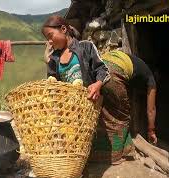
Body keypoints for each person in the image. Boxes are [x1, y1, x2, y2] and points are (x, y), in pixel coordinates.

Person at [42, 15, 158, 165]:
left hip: (92, 94)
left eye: (50, 36)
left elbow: (102, 69)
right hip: (71, 107)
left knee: (103, 121)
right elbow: (52, 82)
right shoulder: (55, 59)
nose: (49, 42)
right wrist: (48, 61)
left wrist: (97, 84)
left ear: (64, 29)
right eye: (47, 38)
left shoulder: (85, 47)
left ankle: (110, 154)